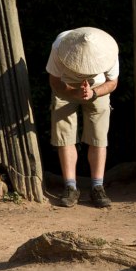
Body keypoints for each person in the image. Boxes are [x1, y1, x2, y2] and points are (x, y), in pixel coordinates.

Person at [45, 27, 119, 208]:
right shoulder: (59, 46)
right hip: (65, 87)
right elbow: (54, 81)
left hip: (98, 89)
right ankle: (70, 187)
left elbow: (112, 82)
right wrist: (74, 92)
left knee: (98, 135)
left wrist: (93, 93)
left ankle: (97, 187)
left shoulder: (108, 49)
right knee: (64, 135)